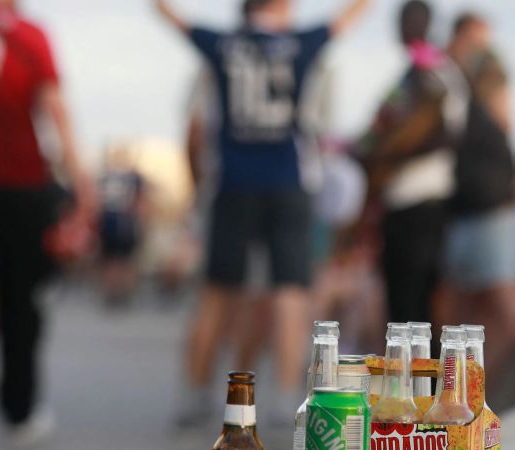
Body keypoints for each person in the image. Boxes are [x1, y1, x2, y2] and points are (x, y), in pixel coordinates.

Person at [154, 0, 371, 425]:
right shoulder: (300, 43)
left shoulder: (222, 44)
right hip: (288, 182)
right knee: (290, 292)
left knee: (217, 294)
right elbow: (347, 18)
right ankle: (287, 397)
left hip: (233, 182)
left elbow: (172, 18)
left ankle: (193, 396)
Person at [0, 1, 95, 446]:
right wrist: (81, 180)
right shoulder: (29, 35)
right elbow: (55, 110)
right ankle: (19, 408)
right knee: (20, 304)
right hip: (22, 183)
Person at [358, 0, 470, 325]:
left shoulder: (440, 72)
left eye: (411, 20)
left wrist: (395, 154)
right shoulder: (408, 74)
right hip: (396, 201)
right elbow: (381, 124)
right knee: (399, 305)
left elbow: (450, 135)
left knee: (418, 305)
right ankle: (404, 376)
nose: (404, 28)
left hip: (425, 200)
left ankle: (424, 377)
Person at [442, 12, 515, 377]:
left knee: (499, 316)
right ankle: (466, 395)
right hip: (471, 215)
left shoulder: (483, 97)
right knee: (469, 316)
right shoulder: (453, 86)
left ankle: (472, 393)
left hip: (487, 215)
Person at [98, 147, 147, 304]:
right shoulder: (132, 177)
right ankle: (120, 292)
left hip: (115, 222)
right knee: (122, 259)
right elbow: (140, 201)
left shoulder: (106, 176)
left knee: (115, 259)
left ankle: (116, 293)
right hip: (122, 222)